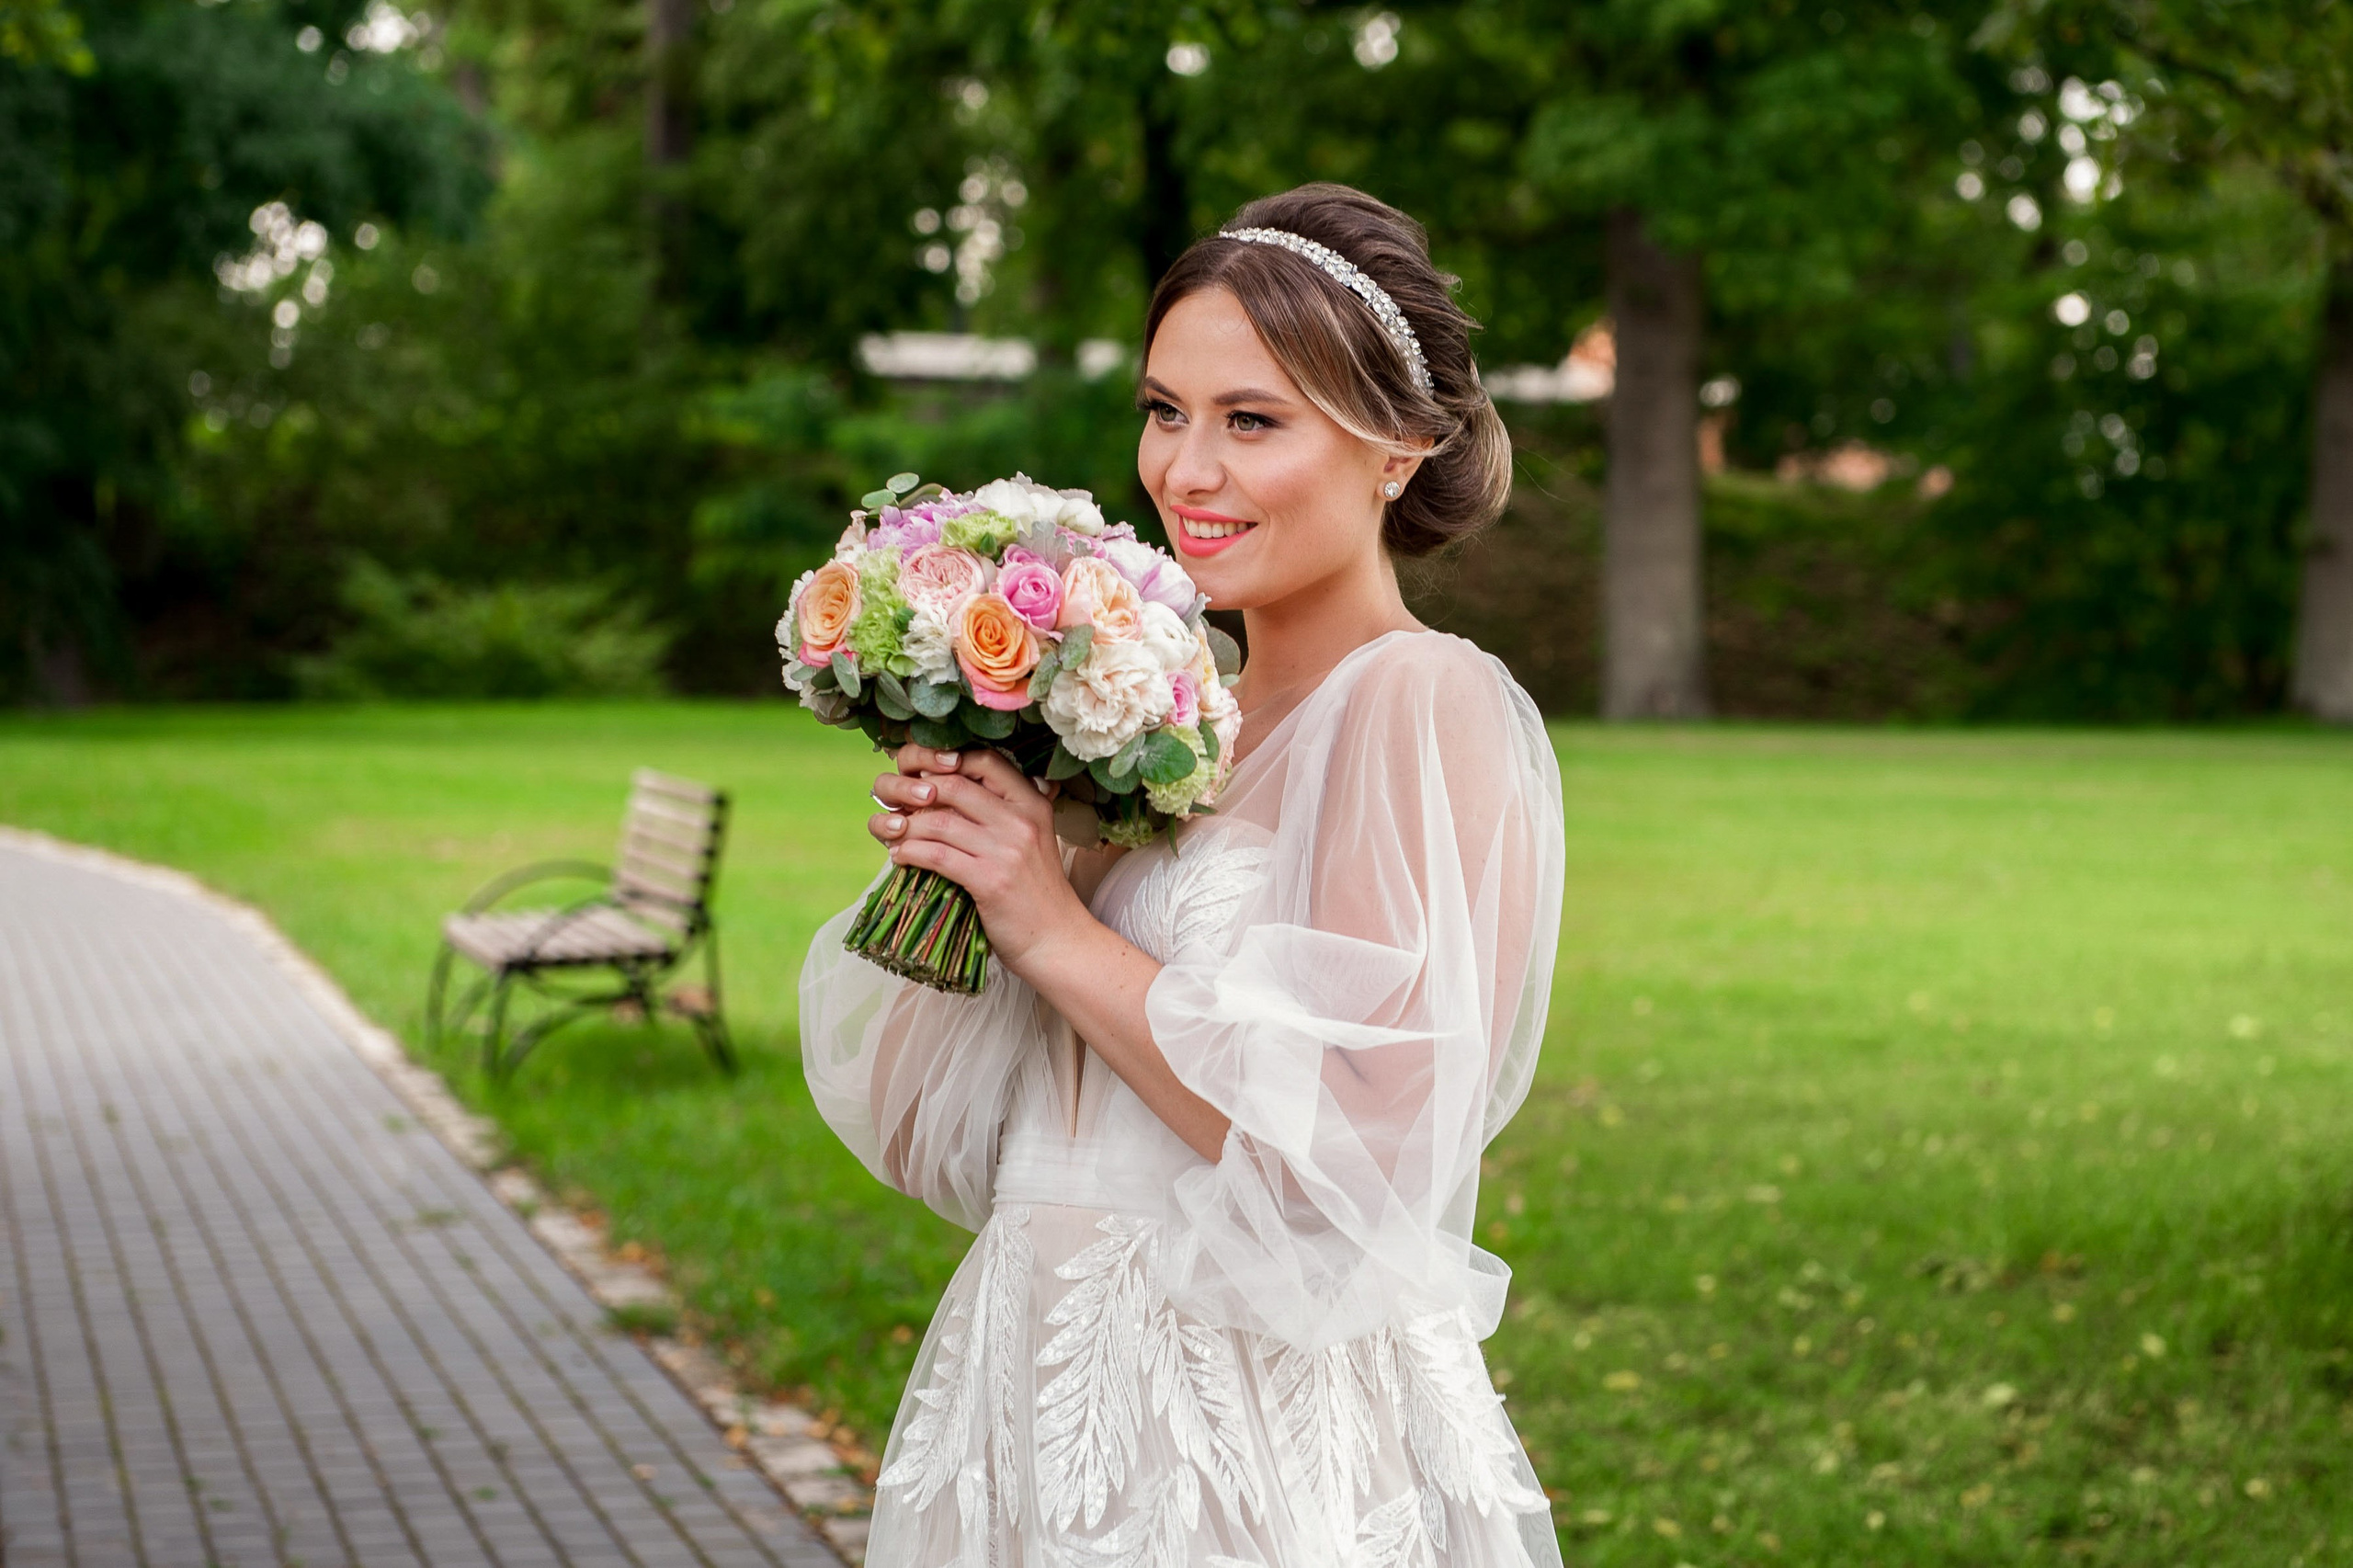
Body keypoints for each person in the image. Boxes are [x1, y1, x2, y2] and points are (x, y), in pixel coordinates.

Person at [801, 182, 1566, 1568]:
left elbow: (1364, 1171)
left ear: (1396, 448)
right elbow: (924, 1126)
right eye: (1166, 410)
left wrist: (1052, 924)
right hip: (1027, 1385)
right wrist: (973, 848)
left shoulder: (1423, 705)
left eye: (1251, 420)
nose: (1186, 473)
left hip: (1246, 1437)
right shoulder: (1155, 726)